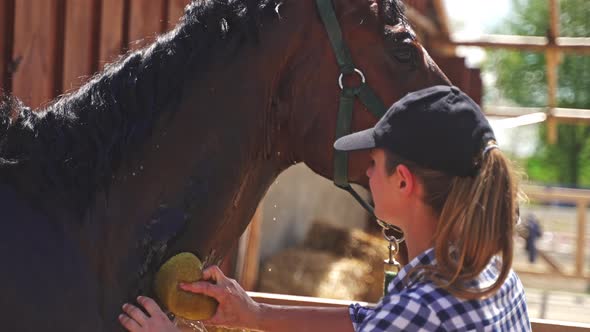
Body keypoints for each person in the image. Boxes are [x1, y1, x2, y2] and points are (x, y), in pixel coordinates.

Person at [118, 85, 531, 331]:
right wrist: (255, 313)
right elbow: (369, 323)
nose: (366, 175)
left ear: (404, 181)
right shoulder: (490, 273)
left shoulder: (421, 308)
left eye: (373, 165)